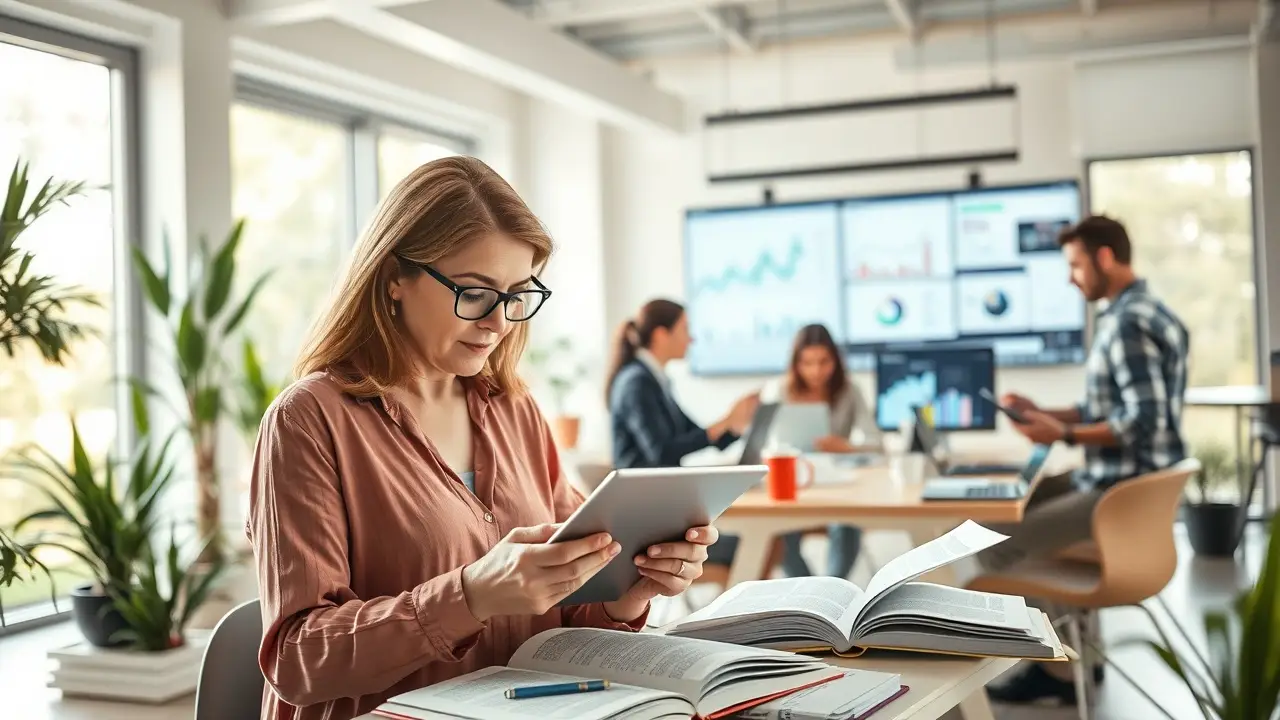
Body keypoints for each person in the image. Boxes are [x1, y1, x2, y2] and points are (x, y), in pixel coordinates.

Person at [247, 157, 722, 720]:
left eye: (517, 295)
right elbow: (299, 660)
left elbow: (565, 615)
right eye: (474, 293)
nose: (499, 322)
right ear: (394, 277)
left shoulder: (515, 411)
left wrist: (631, 591)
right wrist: (470, 596)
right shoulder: (308, 420)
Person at [980, 215, 1189, 705]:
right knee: (1015, 503)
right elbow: (1109, 409)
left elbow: (1145, 419)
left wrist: (1066, 432)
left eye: (1075, 265)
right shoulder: (1145, 312)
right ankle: (1078, 659)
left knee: (994, 538)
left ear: (1104, 258)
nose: (1071, 278)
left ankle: (1057, 672)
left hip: (1122, 492)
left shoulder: (1127, 323)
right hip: (1115, 478)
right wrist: (1042, 413)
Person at [606, 298, 759, 566]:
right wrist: (723, 423)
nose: (691, 339)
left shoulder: (656, 380)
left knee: (756, 545)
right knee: (750, 547)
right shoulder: (637, 382)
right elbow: (661, 451)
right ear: (661, 335)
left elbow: (696, 436)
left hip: (663, 506)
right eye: (685, 329)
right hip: (647, 516)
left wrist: (735, 423)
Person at [766, 324, 878, 578]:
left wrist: (846, 447)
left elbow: (876, 443)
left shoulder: (849, 390)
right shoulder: (778, 390)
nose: (816, 371)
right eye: (807, 363)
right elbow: (765, 445)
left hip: (838, 484)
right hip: (793, 485)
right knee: (780, 531)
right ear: (796, 363)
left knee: (847, 525)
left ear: (836, 361)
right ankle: (809, 594)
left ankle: (833, 588)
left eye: (823, 362)